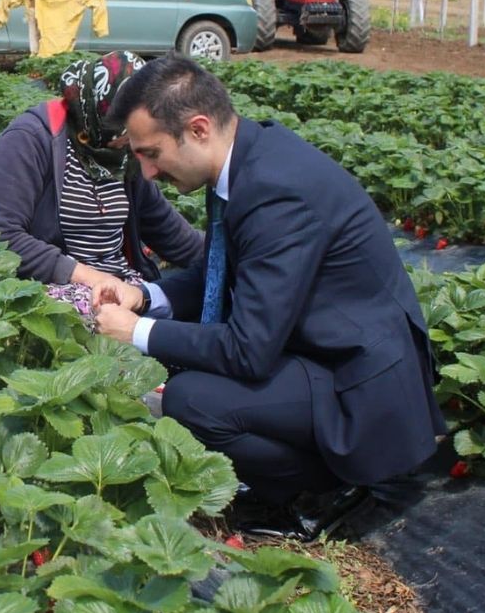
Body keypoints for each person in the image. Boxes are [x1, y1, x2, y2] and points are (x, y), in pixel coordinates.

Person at [94, 54, 445, 541]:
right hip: (322, 354)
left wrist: (137, 332)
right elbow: (223, 269)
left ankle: (328, 487)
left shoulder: (277, 192)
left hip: (360, 387)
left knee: (193, 398)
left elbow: (247, 350)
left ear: (198, 129)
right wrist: (145, 295)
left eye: (151, 153)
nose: (148, 173)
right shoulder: (250, 159)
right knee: (186, 365)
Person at [0, 51, 202, 326]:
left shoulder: (125, 157)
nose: (136, 143)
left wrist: (239, 253)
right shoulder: (30, 140)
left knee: (204, 304)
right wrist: (92, 277)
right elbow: (1, 235)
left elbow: (173, 235)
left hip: (120, 287)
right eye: (129, 133)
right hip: (51, 291)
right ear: (104, 116)